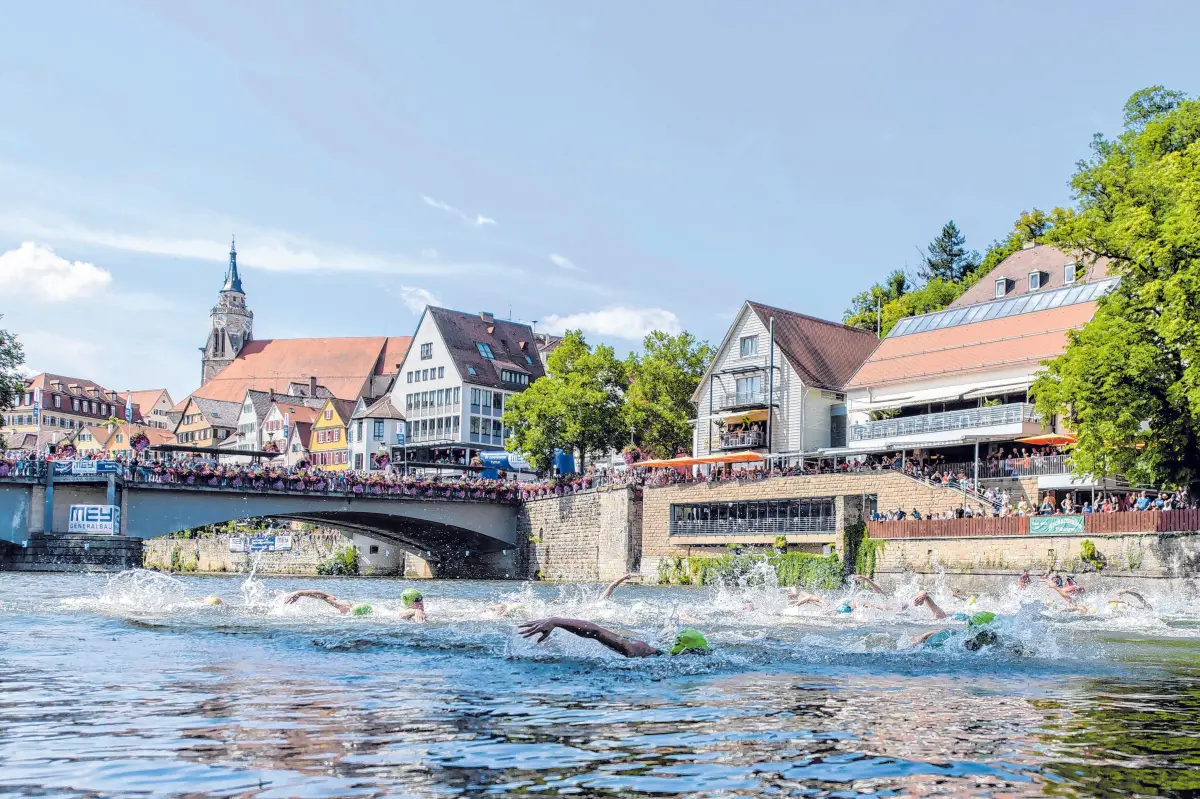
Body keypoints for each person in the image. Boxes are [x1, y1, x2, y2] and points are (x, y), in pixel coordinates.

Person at [518, 617, 710, 658]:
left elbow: (596, 632)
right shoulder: (646, 652)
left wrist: (557, 621)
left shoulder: (649, 653)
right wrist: (556, 621)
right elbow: (597, 632)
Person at [284, 589, 374, 616]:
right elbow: (325, 595)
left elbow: (325, 596)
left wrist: (300, 593)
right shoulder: (344, 606)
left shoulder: (345, 608)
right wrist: (300, 593)